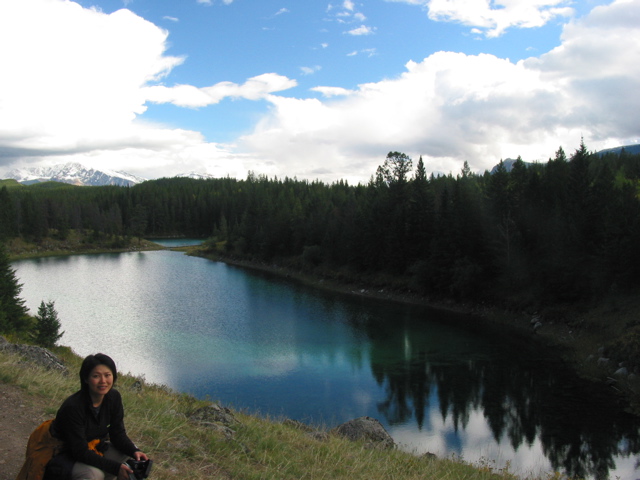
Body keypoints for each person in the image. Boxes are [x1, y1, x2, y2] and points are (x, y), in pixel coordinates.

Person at [32, 353, 149, 480]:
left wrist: (134, 451)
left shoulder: (113, 398)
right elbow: (79, 451)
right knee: (93, 475)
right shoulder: (73, 407)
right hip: (64, 455)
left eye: (107, 375)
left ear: (113, 377)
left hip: (92, 448)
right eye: (96, 376)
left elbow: (117, 433)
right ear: (86, 379)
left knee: (125, 454)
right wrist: (116, 468)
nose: (103, 381)